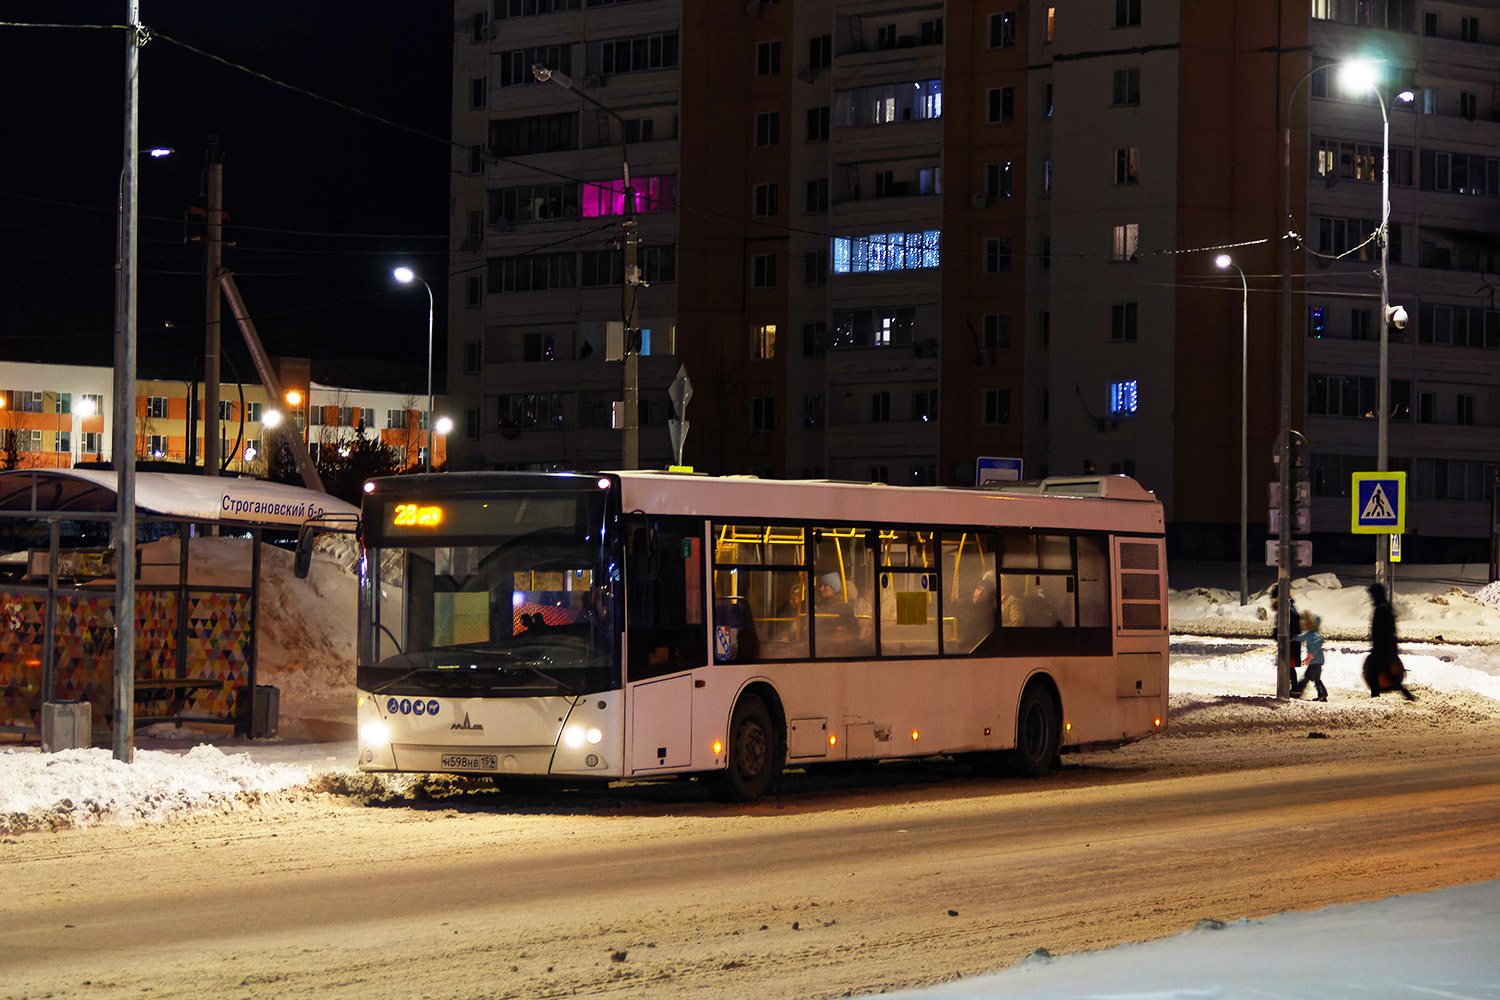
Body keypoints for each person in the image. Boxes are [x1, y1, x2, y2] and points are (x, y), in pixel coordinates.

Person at [1363, 583, 1415, 700]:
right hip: (1385, 645)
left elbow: (1383, 629)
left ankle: (1376, 695)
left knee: (1375, 670)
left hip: (1383, 646)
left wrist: (1379, 641)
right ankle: (1401, 691)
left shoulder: (1382, 609)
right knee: (1381, 670)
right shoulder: (1384, 607)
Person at [1271, 583, 1301, 691]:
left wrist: (1277, 633)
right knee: (1288, 665)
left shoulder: (1286, 610)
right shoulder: (1288, 608)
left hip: (1289, 643)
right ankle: (1293, 686)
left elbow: (1291, 627)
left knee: (1288, 665)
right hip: (1290, 642)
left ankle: (1293, 687)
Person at [1292, 610, 1328, 701]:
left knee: (1311, 678)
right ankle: (1321, 694)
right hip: (1314, 661)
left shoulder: (1315, 636)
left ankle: (1298, 691)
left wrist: (1310, 657)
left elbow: (1316, 647)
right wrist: (1293, 637)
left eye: (1308, 623)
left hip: (1316, 661)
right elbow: (1301, 637)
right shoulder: (1309, 634)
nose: (1306, 625)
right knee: (1313, 678)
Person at [957, 571, 998, 650]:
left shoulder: (990, 612)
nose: (979, 594)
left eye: (984, 591)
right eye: (979, 589)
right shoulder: (962, 605)